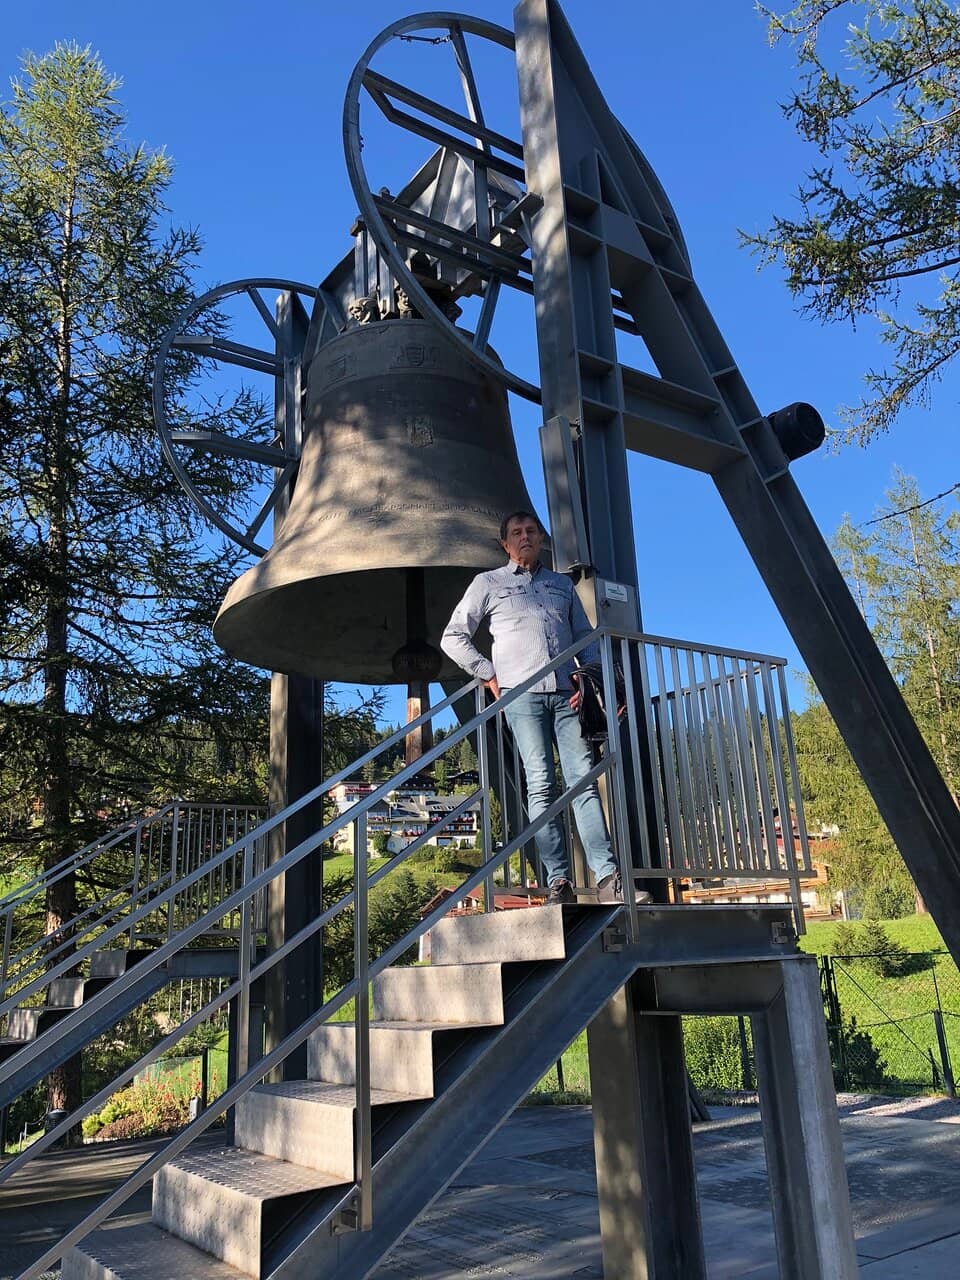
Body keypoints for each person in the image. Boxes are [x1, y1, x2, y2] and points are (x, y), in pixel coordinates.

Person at [441, 509, 624, 905]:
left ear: (541, 538)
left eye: (531, 531)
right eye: (516, 533)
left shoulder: (561, 585)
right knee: (541, 784)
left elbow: (586, 639)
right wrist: (488, 673)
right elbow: (453, 636)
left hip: (568, 695)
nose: (525, 537)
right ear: (505, 544)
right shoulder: (488, 583)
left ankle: (609, 878)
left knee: (583, 783)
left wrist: (590, 680)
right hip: (521, 697)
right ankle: (559, 882)